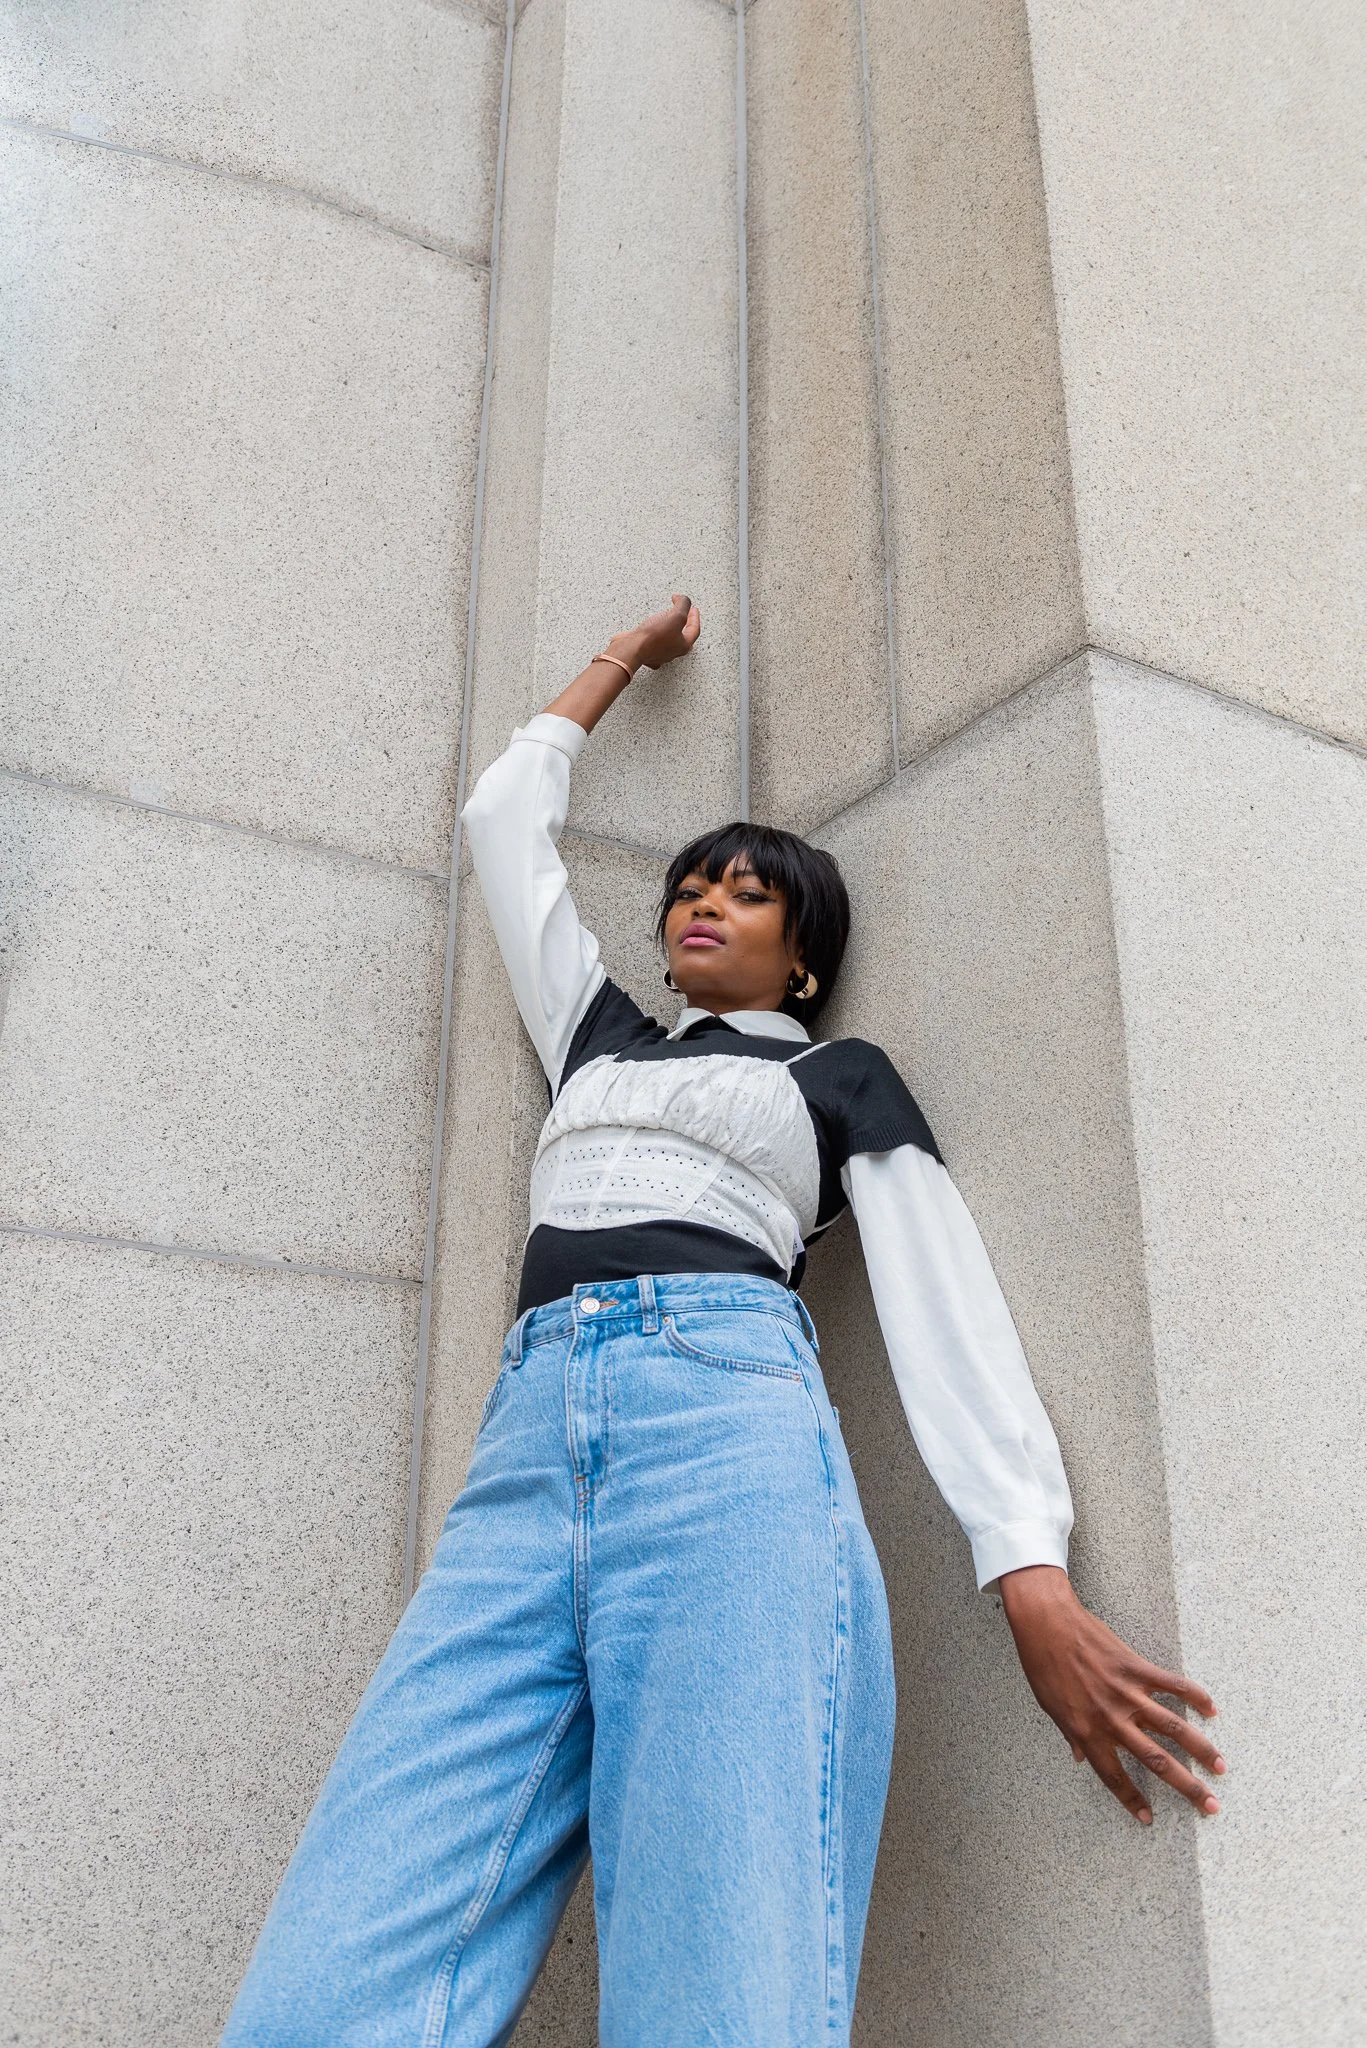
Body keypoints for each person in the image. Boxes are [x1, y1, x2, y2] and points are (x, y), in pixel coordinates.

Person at [221, 596, 1225, 2048]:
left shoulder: (838, 1081)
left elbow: (943, 1293)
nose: (703, 898)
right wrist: (618, 662)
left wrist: (1028, 1566)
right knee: (339, 1970)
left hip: (727, 1438)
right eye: (691, 882)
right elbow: (506, 818)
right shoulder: (592, 1037)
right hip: (525, 1455)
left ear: (802, 952)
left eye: (747, 890)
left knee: (718, 1968)